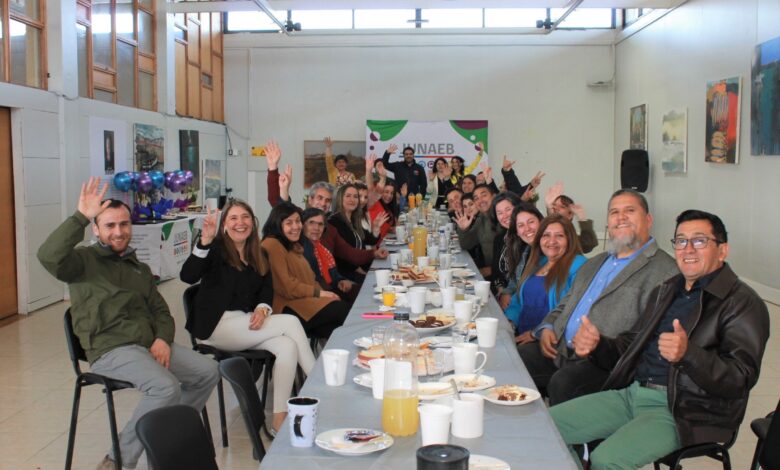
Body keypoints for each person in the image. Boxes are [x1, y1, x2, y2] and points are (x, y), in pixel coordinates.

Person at [551, 210, 770, 469]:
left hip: (687, 411)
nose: (688, 249)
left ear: (722, 250)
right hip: (633, 394)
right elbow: (631, 346)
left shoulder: (743, 303)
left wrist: (688, 355)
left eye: (699, 240)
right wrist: (598, 344)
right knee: (546, 427)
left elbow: (740, 379)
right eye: (681, 240)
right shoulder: (667, 289)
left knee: (606, 460)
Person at [37, 177, 219, 470]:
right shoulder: (81, 262)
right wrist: (80, 216)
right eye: (109, 225)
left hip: (148, 344)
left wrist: (162, 339)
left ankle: (163, 437)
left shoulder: (139, 268)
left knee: (207, 371)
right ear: (96, 229)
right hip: (111, 349)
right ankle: (118, 460)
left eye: (124, 224)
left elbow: (161, 311)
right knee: (165, 387)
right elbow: (48, 255)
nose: (119, 231)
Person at [518, 189, 678, 405]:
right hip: (562, 349)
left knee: (564, 383)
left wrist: (599, 345)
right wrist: (547, 327)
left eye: (629, 211)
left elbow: (648, 337)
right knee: (519, 357)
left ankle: (560, 427)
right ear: (608, 223)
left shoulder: (666, 270)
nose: (621, 217)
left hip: (606, 362)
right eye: (614, 212)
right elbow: (566, 303)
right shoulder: (595, 262)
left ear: (648, 220)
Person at [180, 201, 316, 433]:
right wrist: (204, 241)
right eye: (233, 218)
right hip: (216, 327)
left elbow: (266, 290)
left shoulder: (259, 253)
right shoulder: (215, 249)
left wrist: (263, 309)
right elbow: (188, 276)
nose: (240, 223)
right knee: (291, 322)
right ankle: (319, 383)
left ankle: (279, 419)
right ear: (224, 224)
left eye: (245, 217)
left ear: (253, 223)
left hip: (245, 324)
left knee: (287, 346)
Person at [261, 202, 349, 339]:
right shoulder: (272, 244)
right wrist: (320, 293)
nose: (296, 227)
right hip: (287, 306)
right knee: (344, 310)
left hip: (304, 301)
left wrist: (326, 294)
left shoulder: (293, 245)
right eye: (289, 223)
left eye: (298, 221)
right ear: (277, 224)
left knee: (337, 331)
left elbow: (311, 279)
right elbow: (286, 286)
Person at [505, 215, 587, 343]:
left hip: (549, 340)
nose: (551, 241)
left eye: (559, 236)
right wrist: (509, 323)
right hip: (520, 335)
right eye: (546, 235)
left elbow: (574, 309)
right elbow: (518, 300)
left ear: (569, 239)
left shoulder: (579, 265)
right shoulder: (539, 262)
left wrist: (535, 334)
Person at [328, 183, 386, 282]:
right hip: (346, 275)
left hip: (361, 267)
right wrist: (362, 271)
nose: (352, 200)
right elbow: (344, 256)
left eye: (355, 197)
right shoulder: (334, 221)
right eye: (348, 196)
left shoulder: (354, 219)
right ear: (340, 198)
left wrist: (376, 227)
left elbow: (371, 240)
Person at [301, 208, 358, 304]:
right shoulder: (302, 249)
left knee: (362, 291)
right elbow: (314, 282)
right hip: (317, 296)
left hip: (333, 288)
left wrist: (341, 280)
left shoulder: (322, 246)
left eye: (320, 224)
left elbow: (333, 274)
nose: (316, 228)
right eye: (311, 223)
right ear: (302, 225)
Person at [500, 203, 545, 309]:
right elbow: (515, 280)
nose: (527, 228)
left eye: (531, 222)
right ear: (517, 232)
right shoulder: (525, 250)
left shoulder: (550, 253)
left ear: (541, 222)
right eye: (521, 225)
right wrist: (506, 293)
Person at [454, 183, 497, 278]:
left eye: (484, 195)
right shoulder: (481, 219)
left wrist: (490, 270)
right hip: (491, 271)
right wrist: (463, 230)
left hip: (500, 274)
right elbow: (466, 245)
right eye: (476, 198)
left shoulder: (502, 218)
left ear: (494, 197)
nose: (480, 200)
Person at [545, 182, 598, 254]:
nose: (556, 208)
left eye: (562, 207)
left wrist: (582, 219)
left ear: (570, 215)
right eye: (554, 205)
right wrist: (549, 208)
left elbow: (587, 246)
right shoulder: (543, 229)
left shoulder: (571, 236)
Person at [489, 192, 523, 295]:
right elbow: (495, 272)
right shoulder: (499, 239)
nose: (505, 216)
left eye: (508, 209)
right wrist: (501, 291)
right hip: (502, 293)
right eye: (499, 213)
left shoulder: (527, 238)